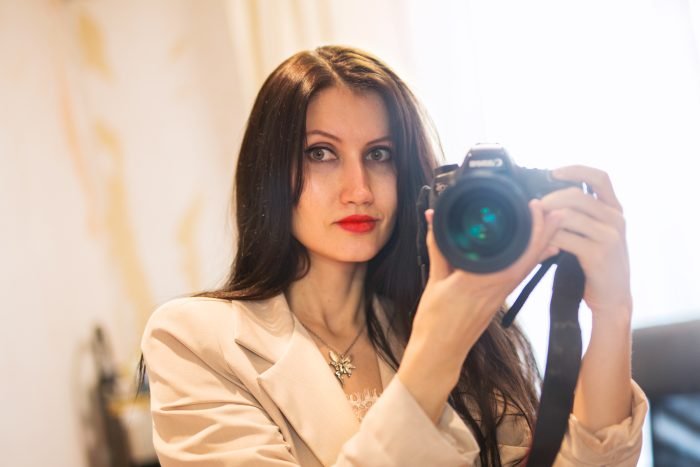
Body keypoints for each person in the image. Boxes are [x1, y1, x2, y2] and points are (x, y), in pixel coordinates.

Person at [141, 45, 647, 466]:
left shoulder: (452, 320)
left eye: (379, 155)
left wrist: (612, 311)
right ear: (268, 171)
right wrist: (437, 352)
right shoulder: (196, 340)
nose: (360, 189)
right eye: (321, 153)